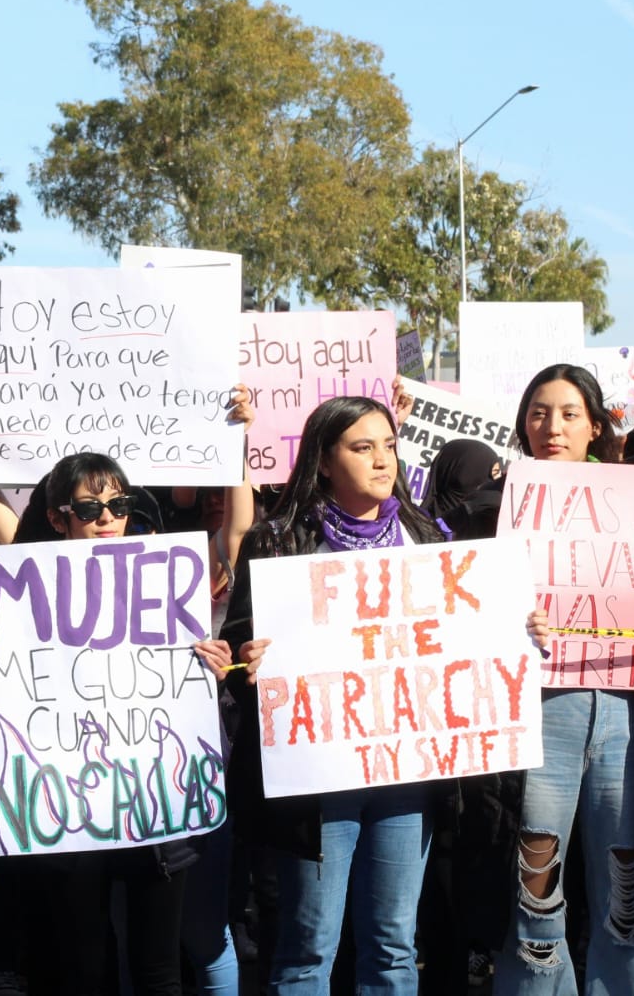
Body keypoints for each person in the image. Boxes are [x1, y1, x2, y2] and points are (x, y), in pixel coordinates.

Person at [450, 364, 634, 996]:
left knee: (625, 893)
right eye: (538, 412)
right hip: (539, 724)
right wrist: (509, 619)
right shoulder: (490, 514)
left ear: (596, 424)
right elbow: (454, 610)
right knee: (536, 898)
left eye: (567, 413)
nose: (551, 426)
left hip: (626, 718)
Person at [0, 451, 212, 996]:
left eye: (118, 504)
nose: (108, 517)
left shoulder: (165, 582)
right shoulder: (21, 594)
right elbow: (3, 685)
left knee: (159, 972)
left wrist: (215, 660)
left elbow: (197, 672)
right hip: (69, 811)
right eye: (91, 506)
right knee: (84, 966)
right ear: (57, 516)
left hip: (152, 802)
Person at [221, 396, 451, 994]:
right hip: (318, 783)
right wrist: (249, 659)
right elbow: (239, 642)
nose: (383, 461)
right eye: (362, 447)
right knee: (307, 949)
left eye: (389, 445)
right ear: (323, 460)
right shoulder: (277, 542)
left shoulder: (426, 536)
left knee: (394, 947)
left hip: (406, 776)